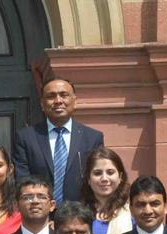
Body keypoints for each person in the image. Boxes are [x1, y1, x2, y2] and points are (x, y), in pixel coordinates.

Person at [12, 77, 104, 205]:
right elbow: (22, 179)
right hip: (40, 215)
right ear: (42, 104)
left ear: (75, 101)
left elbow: (98, 178)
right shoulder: (26, 138)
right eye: (51, 96)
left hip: (81, 215)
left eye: (64, 95)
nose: (58, 101)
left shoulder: (93, 138)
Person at [81, 147, 132, 234]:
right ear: (88, 179)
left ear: (120, 177)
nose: (104, 178)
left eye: (110, 172)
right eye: (98, 173)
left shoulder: (132, 214)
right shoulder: (79, 214)